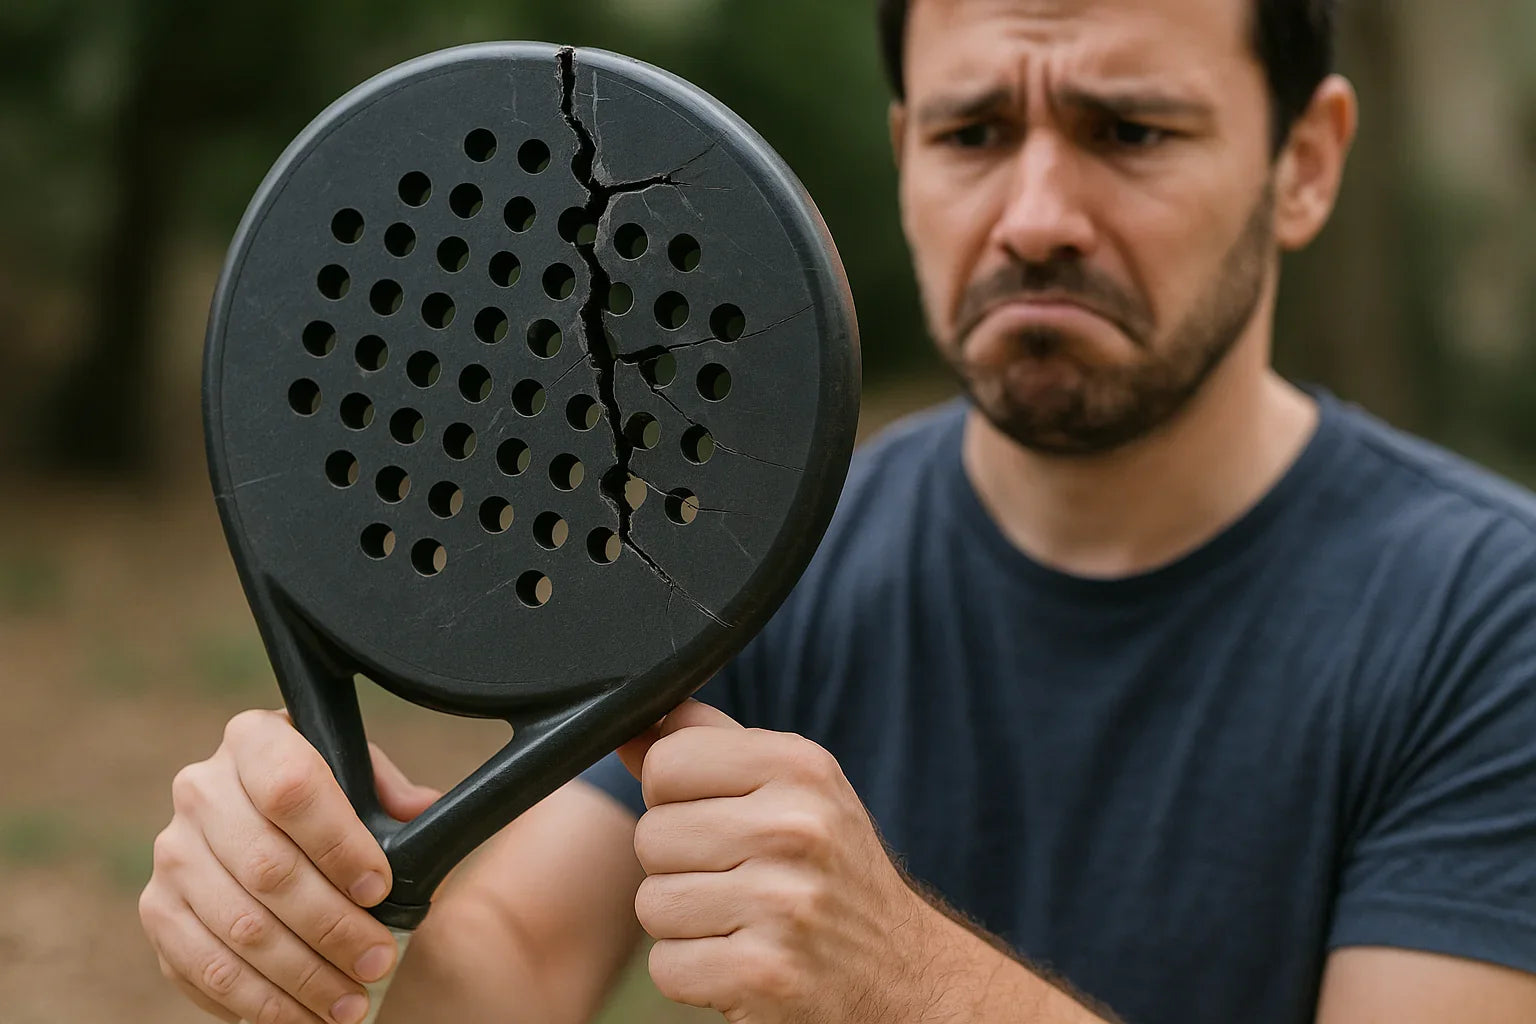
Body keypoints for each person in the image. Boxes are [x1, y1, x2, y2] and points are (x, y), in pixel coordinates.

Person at [139, 0, 1536, 1021]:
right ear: (906, 153)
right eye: (975, 130)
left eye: (1130, 130)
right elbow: (506, 971)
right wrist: (334, 925)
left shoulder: (1489, 621)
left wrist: (914, 986)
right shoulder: (769, 545)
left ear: (1305, 161)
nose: (1037, 210)